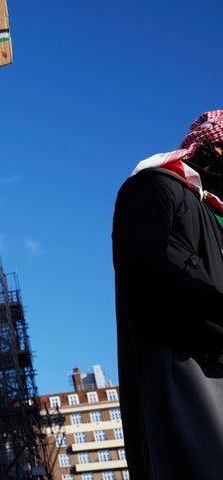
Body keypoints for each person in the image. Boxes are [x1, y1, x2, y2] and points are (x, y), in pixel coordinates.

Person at [112, 110, 223, 480]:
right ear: (216, 148)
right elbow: (142, 268)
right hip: (186, 362)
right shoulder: (156, 186)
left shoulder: (215, 207)